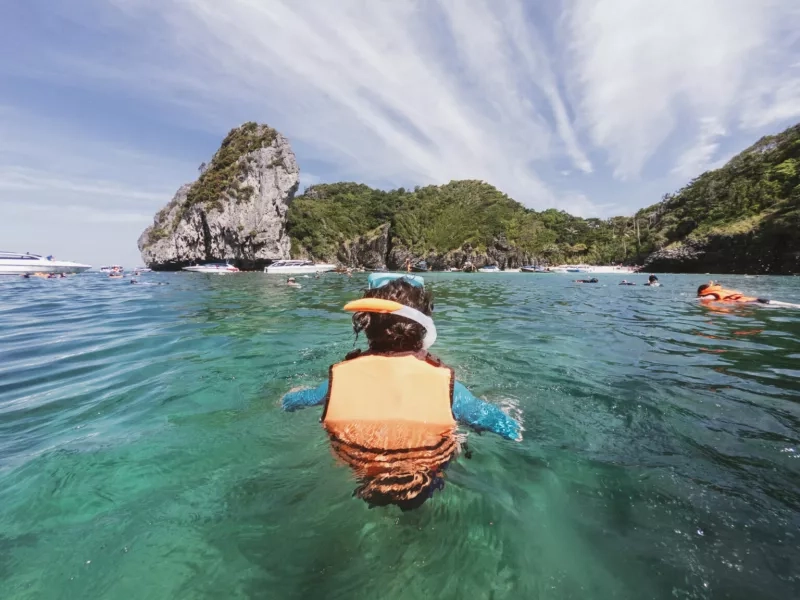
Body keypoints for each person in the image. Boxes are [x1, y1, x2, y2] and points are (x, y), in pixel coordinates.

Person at [281, 274, 521, 510]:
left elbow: (294, 402)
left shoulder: (336, 382)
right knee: (460, 437)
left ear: (367, 327)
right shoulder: (448, 387)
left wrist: (290, 395)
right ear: (425, 329)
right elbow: (503, 426)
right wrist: (514, 424)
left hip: (361, 474)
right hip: (426, 475)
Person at [697, 282, 767, 304]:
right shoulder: (721, 291)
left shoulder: (711, 294)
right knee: (760, 301)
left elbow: (708, 298)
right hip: (746, 299)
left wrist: (697, 299)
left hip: (741, 302)